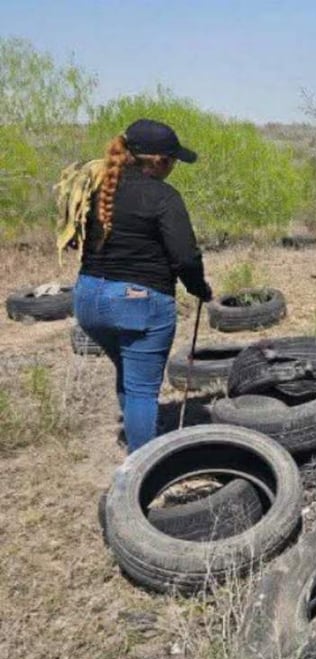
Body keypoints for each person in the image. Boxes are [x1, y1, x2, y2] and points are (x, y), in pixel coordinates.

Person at [73, 119, 213, 453]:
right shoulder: (163, 196)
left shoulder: (97, 187)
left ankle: (142, 432)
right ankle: (144, 470)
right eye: (173, 160)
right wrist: (199, 288)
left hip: (88, 298)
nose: (174, 166)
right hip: (137, 301)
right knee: (142, 391)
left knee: (129, 370)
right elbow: (185, 257)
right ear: (159, 161)